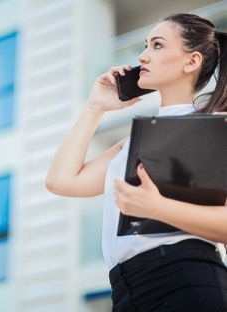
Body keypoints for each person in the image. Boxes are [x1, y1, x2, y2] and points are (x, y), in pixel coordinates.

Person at [46, 13, 227, 312]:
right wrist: (95, 106)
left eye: (157, 46)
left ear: (191, 61)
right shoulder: (131, 143)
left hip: (186, 280)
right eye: (145, 46)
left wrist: (156, 208)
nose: (142, 56)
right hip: (127, 290)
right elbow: (61, 181)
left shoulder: (217, 127)